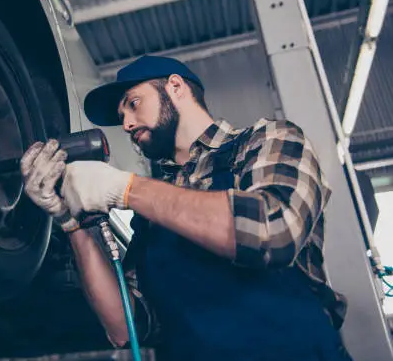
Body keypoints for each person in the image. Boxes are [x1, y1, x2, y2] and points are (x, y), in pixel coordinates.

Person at [20, 55, 353, 360]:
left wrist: (126, 188)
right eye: (122, 116)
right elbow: (127, 328)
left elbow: (273, 230)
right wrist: (71, 222)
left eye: (133, 104)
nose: (127, 124)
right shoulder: (150, 218)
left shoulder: (265, 140)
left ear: (175, 86)